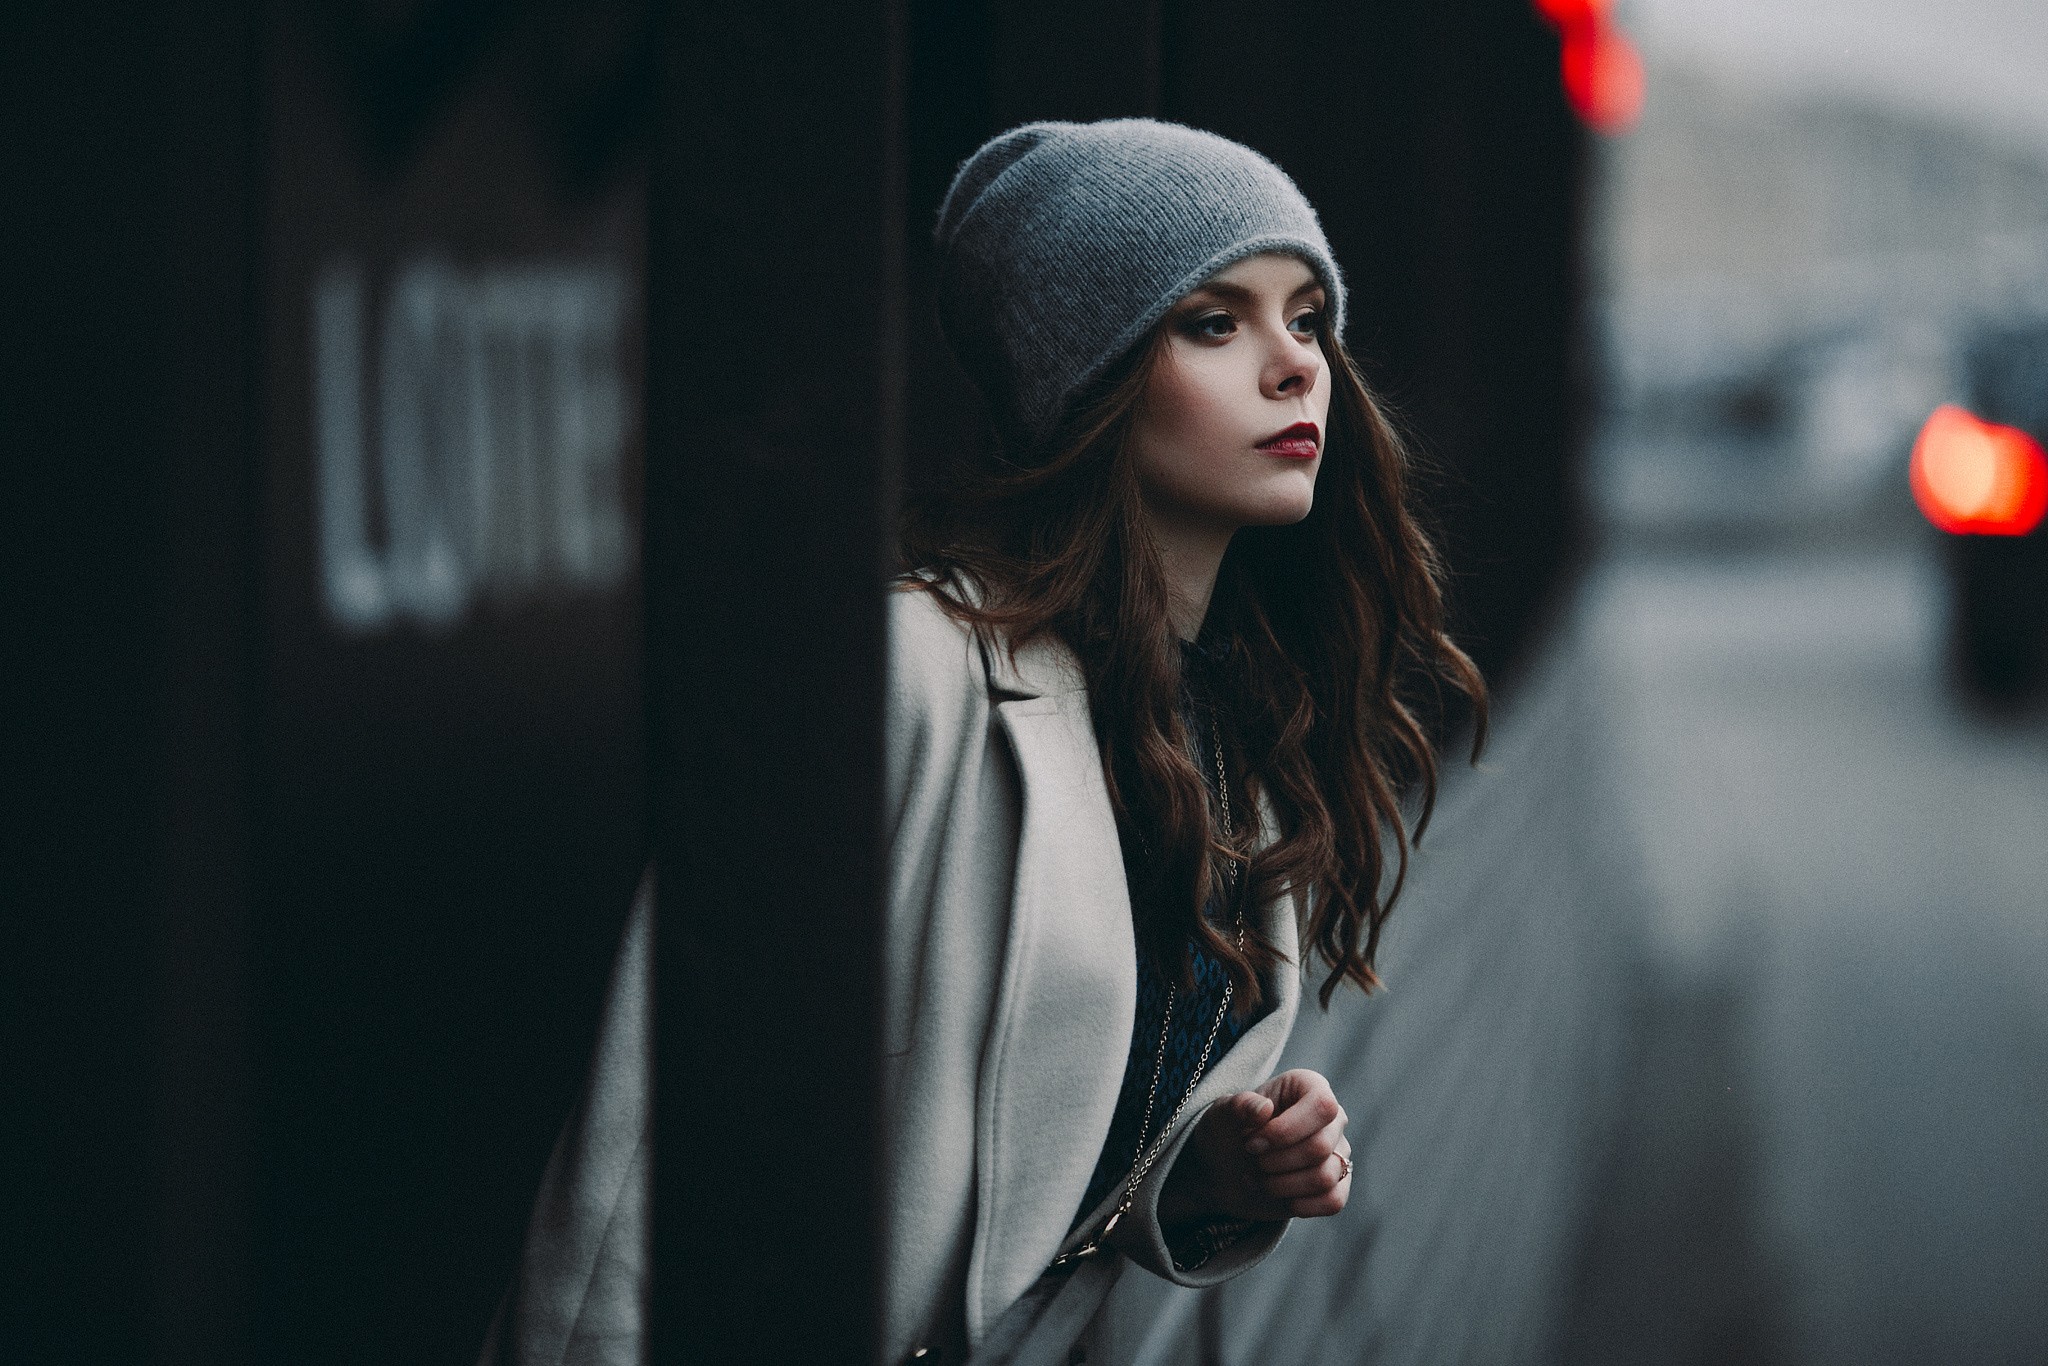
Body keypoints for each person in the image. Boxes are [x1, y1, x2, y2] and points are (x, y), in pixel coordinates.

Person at [483, 118, 1484, 1366]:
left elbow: (1041, 1152)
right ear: (1091, 374)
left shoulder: (1241, 720)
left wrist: (1201, 1169)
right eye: (1214, 321)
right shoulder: (909, 672)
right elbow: (653, 1144)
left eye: (1307, 315)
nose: (1295, 367)